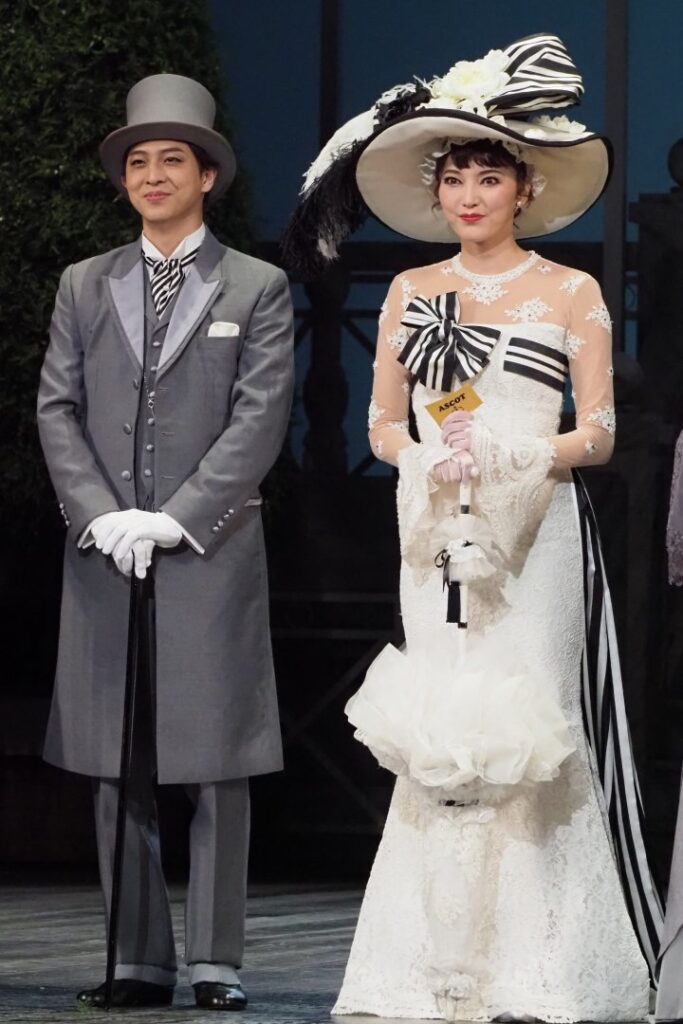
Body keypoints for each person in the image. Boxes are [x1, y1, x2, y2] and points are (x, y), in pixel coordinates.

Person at [284, 34, 662, 1022]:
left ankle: (537, 966)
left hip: (536, 539)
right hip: (436, 537)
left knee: (534, 725)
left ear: (523, 189)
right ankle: (434, 965)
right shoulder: (412, 292)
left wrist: (511, 454)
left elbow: (598, 432)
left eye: (487, 177)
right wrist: (423, 456)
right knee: (446, 732)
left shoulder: (568, 291)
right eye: (453, 178)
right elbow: (380, 424)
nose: (468, 194)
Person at [37, 73, 294, 1011]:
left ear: (207, 175)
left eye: (171, 160)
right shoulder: (86, 281)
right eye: (138, 162)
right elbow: (57, 406)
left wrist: (177, 516)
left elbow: (258, 418)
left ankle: (216, 962)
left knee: (217, 763)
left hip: (208, 552)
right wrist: (98, 512)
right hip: (105, 551)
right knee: (117, 760)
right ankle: (135, 961)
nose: (152, 175)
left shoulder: (256, 285)